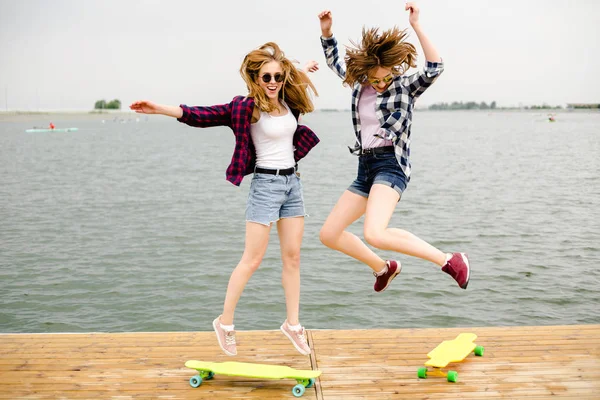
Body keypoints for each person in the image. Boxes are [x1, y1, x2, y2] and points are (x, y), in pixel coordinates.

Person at [130, 42, 320, 356]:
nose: (272, 82)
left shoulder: (288, 101)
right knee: (253, 259)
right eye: (265, 77)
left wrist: (302, 70)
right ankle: (225, 323)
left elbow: (291, 78)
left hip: (292, 185)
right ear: (255, 78)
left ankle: (293, 325)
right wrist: (161, 109)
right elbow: (202, 115)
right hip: (265, 186)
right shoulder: (245, 106)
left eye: (278, 76)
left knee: (293, 258)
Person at [317, 3, 470, 294]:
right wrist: (327, 32)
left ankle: (450, 260)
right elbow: (334, 61)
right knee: (329, 234)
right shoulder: (360, 84)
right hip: (365, 168)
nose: (381, 83)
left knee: (375, 232)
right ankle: (384, 268)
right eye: (375, 79)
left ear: (394, 70)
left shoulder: (404, 86)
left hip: (391, 165)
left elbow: (435, 67)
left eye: (386, 77)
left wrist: (417, 25)